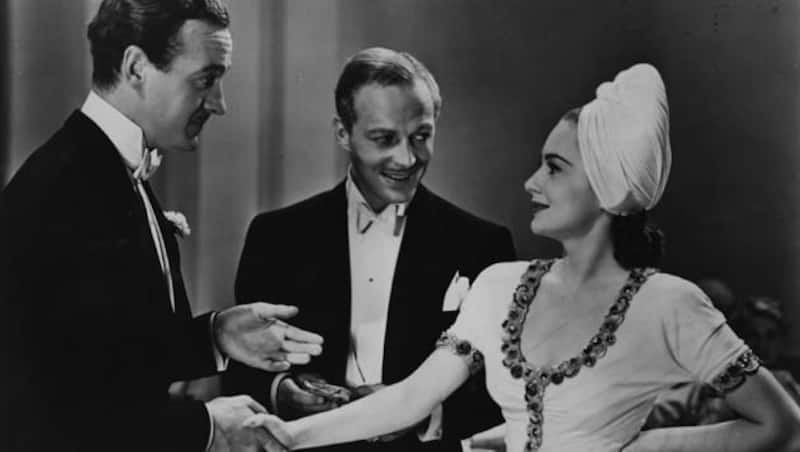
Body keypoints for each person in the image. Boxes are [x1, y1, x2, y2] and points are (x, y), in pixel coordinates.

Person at [243, 64, 800, 452]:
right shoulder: (500, 285)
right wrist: (289, 436)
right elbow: (411, 397)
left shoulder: (670, 304)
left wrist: (643, 447)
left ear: (608, 188)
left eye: (555, 168)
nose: (531, 181)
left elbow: (780, 425)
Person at [0, 1, 323, 451]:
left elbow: (108, 354)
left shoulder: (105, 167)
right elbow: (51, 412)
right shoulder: (61, 190)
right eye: (206, 80)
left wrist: (214, 335)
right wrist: (205, 428)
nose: (220, 104)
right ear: (136, 67)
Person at [224, 47, 515, 452]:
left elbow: (503, 388)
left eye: (421, 136)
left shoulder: (483, 243)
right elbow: (241, 370)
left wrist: (422, 410)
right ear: (342, 132)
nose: (407, 158)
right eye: (384, 139)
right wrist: (281, 391)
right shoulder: (277, 235)